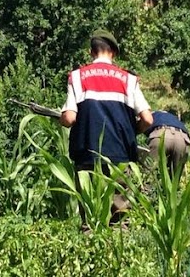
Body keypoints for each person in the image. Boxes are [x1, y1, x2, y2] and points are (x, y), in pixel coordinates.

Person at [60, 29, 153, 225]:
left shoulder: (77, 77)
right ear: (113, 52)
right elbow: (148, 119)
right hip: (120, 158)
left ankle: (89, 250)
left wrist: (60, 119)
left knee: (90, 219)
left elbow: (69, 118)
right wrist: (130, 131)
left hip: (87, 157)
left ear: (91, 52)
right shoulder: (128, 79)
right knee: (120, 222)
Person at [145, 110, 190, 180]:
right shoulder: (173, 118)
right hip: (182, 137)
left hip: (160, 134)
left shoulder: (150, 115)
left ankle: (149, 188)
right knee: (175, 177)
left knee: (151, 172)